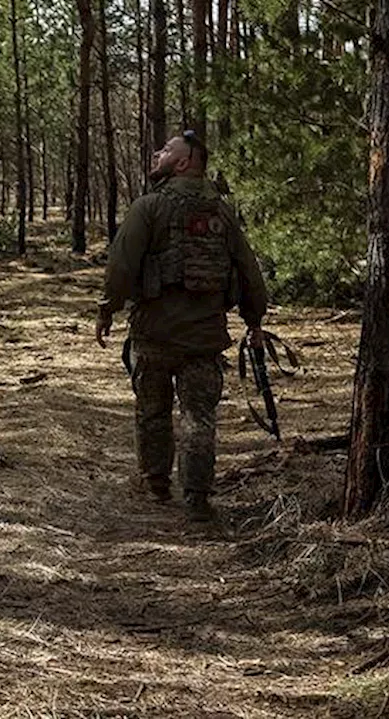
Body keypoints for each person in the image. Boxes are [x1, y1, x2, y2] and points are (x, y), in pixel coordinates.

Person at [95, 131, 269, 522]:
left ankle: (156, 483)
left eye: (166, 150)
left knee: (153, 411)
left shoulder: (148, 207)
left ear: (184, 162)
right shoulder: (222, 213)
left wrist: (107, 309)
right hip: (204, 340)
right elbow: (249, 271)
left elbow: (121, 265)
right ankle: (196, 497)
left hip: (154, 335)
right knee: (199, 417)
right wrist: (254, 321)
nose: (158, 152)